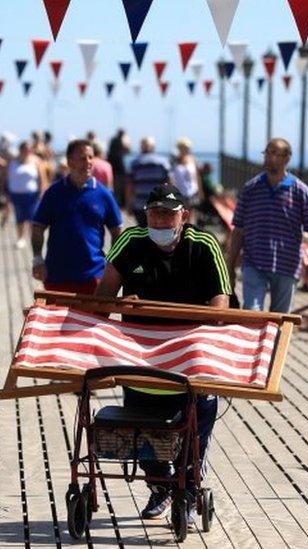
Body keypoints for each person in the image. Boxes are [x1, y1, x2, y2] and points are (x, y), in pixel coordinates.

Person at [95, 184, 230, 522]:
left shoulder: (204, 245)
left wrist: (203, 322)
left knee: (201, 409)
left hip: (189, 348)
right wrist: (119, 304)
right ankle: (162, 484)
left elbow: (222, 300)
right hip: (141, 352)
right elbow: (101, 300)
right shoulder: (131, 241)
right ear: (146, 215)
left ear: (183, 216)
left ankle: (188, 477)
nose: (161, 220)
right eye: (155, 213)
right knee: (141, 425)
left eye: (169, 214)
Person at [226, 138, 308, 313]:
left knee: (280, 318)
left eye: (274, 153)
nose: (269, 158)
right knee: (251, 313)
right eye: (267, 153)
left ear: (287, 158)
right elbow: (238, 229)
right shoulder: (251, 189)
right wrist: (230, 265)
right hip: (254, 261)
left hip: (287, 264)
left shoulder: (300, 191)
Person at [31, 139, 122, 294]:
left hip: (94, 277)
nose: (88, 162)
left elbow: (117, 231)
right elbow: (38, 227)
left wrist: (112, 263)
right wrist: (38, 258)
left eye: (91, 157)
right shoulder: (54, 192)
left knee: (91, 319)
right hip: (57, 276)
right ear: (69, 162)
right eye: (82, 158)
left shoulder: (104, 194)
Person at [6, 141, 50, 249]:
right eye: (24, 149)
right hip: (16, 193)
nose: (26, 151)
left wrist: (42, 192)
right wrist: (6, 192)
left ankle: (34, 238)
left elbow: (42, 178)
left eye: (28, 149)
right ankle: (21, 238)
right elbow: (7, 178)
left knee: (33, 217)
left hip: (32, 194)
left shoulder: (36, 161)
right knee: (19, 217)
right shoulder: (13, 162)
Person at [127, 136, 171, 227]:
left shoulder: (134, 163)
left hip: (140, 205)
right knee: (158, 232)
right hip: (159, 205)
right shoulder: (163, 162)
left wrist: (129, 204)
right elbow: (169, 183)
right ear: (153, 147)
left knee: (143, 232)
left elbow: (130, 186)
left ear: (141, 147)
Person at [171, 137, 202, 211]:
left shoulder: (193, 160)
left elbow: (197, 176)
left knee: (191, 214)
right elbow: (171, 176)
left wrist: (200, 192)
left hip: (192, 191)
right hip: (179, 192)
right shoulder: (174, 161)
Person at [107, 129, 131, 208]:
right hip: (119, 167)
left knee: (115, 188)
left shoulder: (113, 140)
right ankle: (120, 205)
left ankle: (115, 204)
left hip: (112, 166)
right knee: (121, 187)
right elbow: (128, 150)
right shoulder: (122, 141)